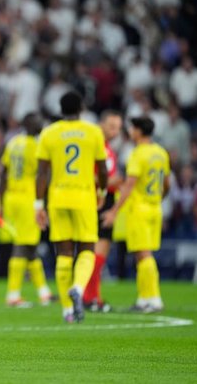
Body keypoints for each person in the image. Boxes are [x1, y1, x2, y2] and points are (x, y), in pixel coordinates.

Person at [35, 91, 108, 323]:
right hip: (85, 197)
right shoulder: (93, 131)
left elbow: (42, 173)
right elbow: (103, 169)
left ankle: (67, 310)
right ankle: (78, 287)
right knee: (87, 248)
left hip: (58, 198)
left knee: (64, 253)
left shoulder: (49, 133)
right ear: (81, 108)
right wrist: (102, 192)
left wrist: (39, 204)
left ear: (61, 108)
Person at [101, 116, 169, 313]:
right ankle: (143, 298)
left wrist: (114, 211)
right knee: (143, 255)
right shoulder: (160, 152)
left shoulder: (138, 154)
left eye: (132, 129)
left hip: (139, 209)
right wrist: (157, 199)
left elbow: (129, 185)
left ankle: (154, 298)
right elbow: (167, 183)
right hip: (155, 207)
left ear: (139, 131)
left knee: (143, 254)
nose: (130, 132)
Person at [1, 113, 54, 308]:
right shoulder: (36, 146)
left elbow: (3, 172)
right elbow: (43, 174)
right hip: (27, 198)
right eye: (39, 122)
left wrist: (2, 199)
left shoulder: (14, 142)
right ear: (31, 124)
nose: (41, 125)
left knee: (30, 246)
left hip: (11, 196)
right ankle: (13, 294)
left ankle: (44, 292)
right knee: (23, 245)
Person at [83, 110, 123, 312]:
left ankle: (92, 296)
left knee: (97, 252)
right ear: (101, 124)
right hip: (98, 201)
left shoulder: (106, 148)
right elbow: (88, 176)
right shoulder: (97, 147)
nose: (116, 131)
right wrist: (113, 182)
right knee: (97, 251)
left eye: (118, 128)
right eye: (112, 126)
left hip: (103, 200)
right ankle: (90, 297)